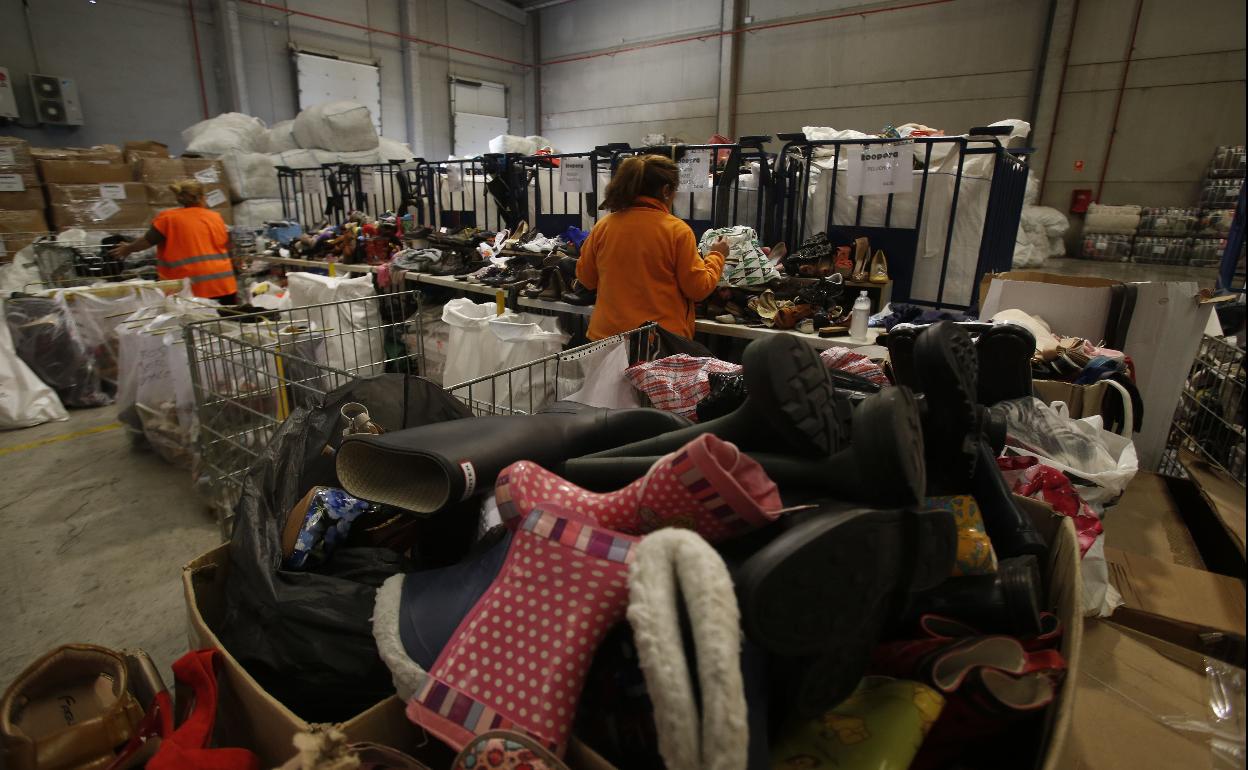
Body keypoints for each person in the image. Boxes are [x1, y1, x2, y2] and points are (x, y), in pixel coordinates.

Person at [576, 155, 728, 340]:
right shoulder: (677, 231)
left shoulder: (604, 226)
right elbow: (697, 288)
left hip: (605, 341)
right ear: (665, 190)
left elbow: (586, 278)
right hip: (656, 344)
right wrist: (717, 256)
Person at [110, 179, 238, 303]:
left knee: (197, 323)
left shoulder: (169, 218)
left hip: (191, 288)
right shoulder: (216, 217)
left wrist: (127, 249)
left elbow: (148, 241)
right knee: (229, 321)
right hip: (224, 283)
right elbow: (226, 244)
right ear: (202, 197)